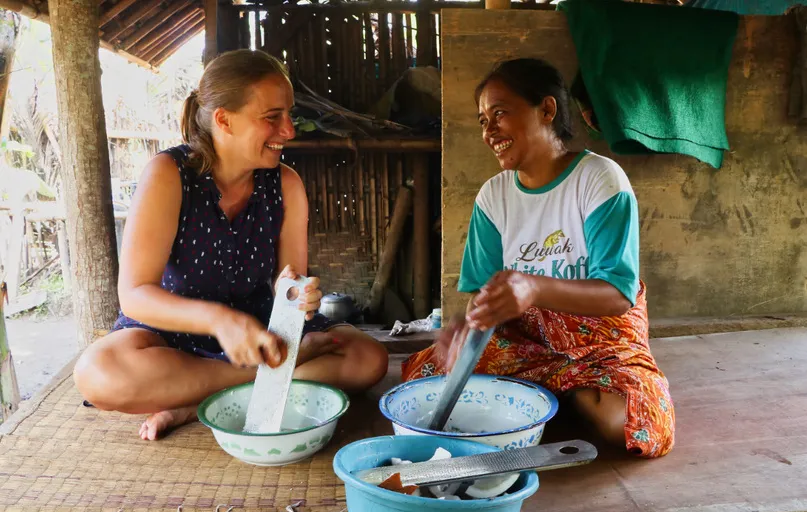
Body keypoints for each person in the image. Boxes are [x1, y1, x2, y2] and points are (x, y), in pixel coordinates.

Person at [74, 50, 389, 441]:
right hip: (174, 339)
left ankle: (193, 405)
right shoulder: (169, 175)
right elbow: (135, 296)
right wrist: (220, 322)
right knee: (99, 372)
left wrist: (295, 296)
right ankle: (266, 380)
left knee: (368, 358)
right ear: (224, 119)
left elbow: (291, 289)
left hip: (259, 336)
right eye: (272, 117)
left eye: (289, 115)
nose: (289, 130)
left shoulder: (286, 185)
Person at [402, 58, 675, 458]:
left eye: (500, 114)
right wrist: (467, 326)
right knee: (422, 379)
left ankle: (568, 390)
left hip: (601, 340)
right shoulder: (493, 197)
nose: (489, 131)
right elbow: (484, 294)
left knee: (633, 423)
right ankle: (550, 387)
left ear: (546, 110)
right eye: (482, 121)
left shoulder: (599, 180)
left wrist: (534, 288)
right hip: (526, 342)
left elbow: (618, 293)